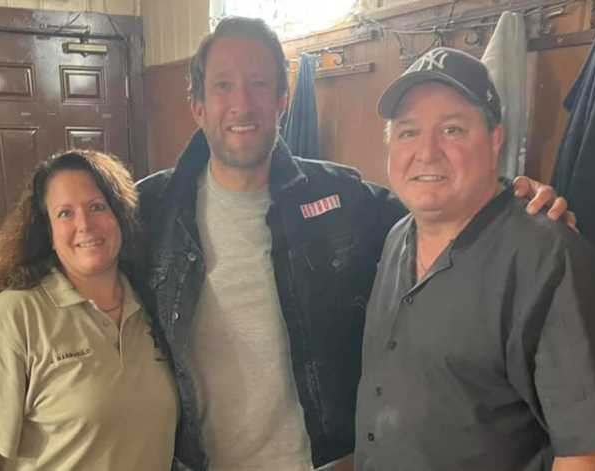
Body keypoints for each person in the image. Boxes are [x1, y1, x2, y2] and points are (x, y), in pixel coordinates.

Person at [135, 17, 572, 471]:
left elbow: (446, 212)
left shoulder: (343, 198)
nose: (242, 103)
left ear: (283, 100)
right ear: (198, 106)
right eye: (223, 85)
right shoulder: (151, 210)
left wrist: (512, 199)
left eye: (259, 84)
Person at [355, 47, 595, 471]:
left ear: (495, 138)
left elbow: (590, 452)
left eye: (453, 130)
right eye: (408, 132)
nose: (426, 152)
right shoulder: (396, 238)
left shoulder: (548, 256)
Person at [0, 150, 178, 471]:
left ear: (121, 216)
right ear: (48, 232)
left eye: (97, 207)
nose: (84, 225)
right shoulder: (14, 316)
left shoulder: (152, 306)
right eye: (65, 213)